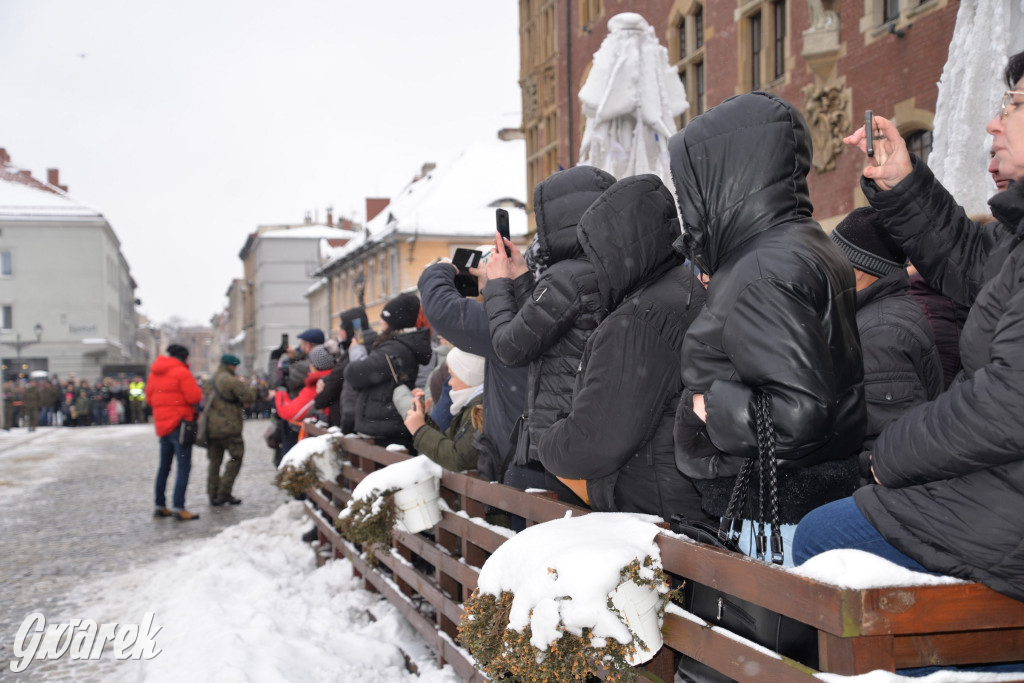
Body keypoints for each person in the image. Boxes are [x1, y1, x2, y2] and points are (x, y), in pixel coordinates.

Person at [794, 52, 1024, 605]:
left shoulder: (885, 328)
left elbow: (1009, 403)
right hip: (998, 487)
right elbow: (976, 263)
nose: (994, 123)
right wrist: (902, 185)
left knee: (819, 540)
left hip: (1006, 504)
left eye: (1014, 105)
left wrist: (887, 456)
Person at [668, 91, 866, 525]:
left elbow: (799, 413)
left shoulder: (759, 267)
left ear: (722, 180)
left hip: (770, 500)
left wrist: (706, 405)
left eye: (689, 185)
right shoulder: (803, 243)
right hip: (810, 484)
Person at [536, 174, 710, 522]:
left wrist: (548, 439)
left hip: (658, 511)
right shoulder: (684, 287)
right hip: (686, 494)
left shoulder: (639, 318)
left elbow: (596, 441)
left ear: (611, 252)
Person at [483, 166, 615, 500]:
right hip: (594, 427)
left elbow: (511, 346)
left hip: (562, 436)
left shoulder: (566, 277)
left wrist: (497, 284)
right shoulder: (606, 270)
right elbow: (549, 327)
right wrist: (524, 278)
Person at [829, 207, 943, 466]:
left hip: (886, 487)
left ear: (856, 269)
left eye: (829, 259)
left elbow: (890, 444)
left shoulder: (880, 332)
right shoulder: (879, 314)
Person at [418, 261, 530, 488]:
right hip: (527, 462)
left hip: (517, 468)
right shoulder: (543, 308)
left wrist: (440, 269)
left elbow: (444, 312)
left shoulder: (516, 323)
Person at [344, 293, 432, 451]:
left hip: (385, 426)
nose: (380, 322)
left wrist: (355, 350)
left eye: (385, 318)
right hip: (387, 422)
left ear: (396, 321)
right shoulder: (399, 345)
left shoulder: (393, 348)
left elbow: (355, 373)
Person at [145, 344, 203, 521]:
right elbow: (194, 397)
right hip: (180, 425)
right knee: (183, 467)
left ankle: (160, 504)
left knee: (164, 466)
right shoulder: (182, 372)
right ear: (184, 357)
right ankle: (179, 506)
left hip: (163, 425)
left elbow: (148, 398)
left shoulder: (155, 372)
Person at [403, 347, 485, 472]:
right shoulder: (474, 404)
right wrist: (424, 421)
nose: (450, 383)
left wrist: (419, 429)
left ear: (468, 377)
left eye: (452, 376)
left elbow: (458, 459)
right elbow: (452, 442)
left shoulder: (480, 408)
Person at [205, 354, 257, 506]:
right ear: (231, 366)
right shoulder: (230, 380)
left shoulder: (210, 380)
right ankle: (224, 491)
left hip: (211, 427)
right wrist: (252, 388)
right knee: (236, 457)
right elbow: (248, 397)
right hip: (229, 427)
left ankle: (212, 493)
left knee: (214, 461)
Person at [275, 345, 336, 453]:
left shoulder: (316, 386)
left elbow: (290, 412)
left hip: (315, 443)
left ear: (314, 365)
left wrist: (281, 391)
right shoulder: (332, 380)